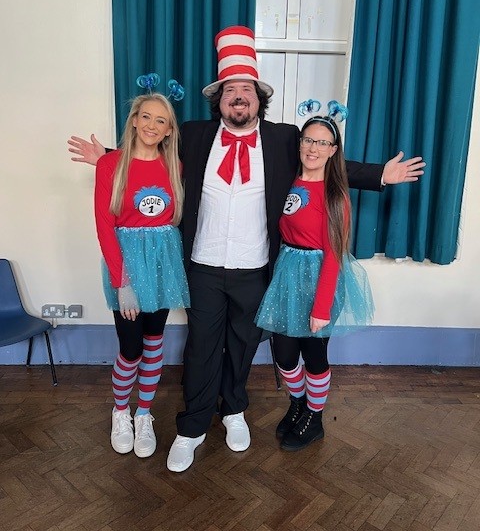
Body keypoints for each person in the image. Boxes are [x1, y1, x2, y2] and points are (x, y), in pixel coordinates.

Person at [68, 25, 425, 472]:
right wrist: (108, 154)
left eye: (247, 90)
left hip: (255, 267)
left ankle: (233, 410)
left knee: (242, 346)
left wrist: (379, 175)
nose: (239, 97)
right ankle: (191, 428)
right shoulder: (195, 135)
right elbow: (149, 153)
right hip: (201, 265)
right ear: (219, 100)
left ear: (259, 99)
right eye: (230, 90)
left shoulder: (283, 139)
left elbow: (324, 158)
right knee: (201, 348)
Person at [255, 110, 374, 451]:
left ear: (333, 150)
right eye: (309, 140)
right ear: (300, 143)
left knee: (314, 355)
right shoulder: (287, 182)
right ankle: (298, 403)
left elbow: (335, 254)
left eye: (323, 143)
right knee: (284, 353)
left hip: (319, 280)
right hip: (287, 276)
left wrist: (321, 308)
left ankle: (315, 418)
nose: (313, 148)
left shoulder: (335, 195)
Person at [94, 91, 189, 458]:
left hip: (163, 262)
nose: (152, 125)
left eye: (160, 120)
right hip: (128, 266)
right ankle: (121, 411)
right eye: (146, 117)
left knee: (153, 341)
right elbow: (105, 226)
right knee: (131, 348)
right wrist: (123, 282)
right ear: (134, 121)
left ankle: (144, 413)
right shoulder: (110, 165)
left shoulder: (175, 166)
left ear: (169, 130)